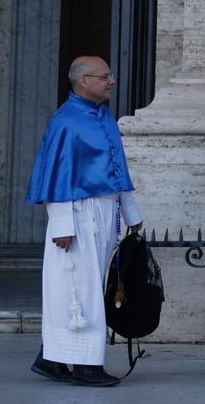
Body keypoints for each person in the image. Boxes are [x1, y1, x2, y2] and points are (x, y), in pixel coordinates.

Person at [26, 57, 144, 387]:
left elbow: (118, 167)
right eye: (104, 76)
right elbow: (57, 176)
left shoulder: (102, 116)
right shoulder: (66, 121)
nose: (111, 81)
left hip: (104, 210)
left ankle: (52, 358)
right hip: (78, 214)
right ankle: (84, 364)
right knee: (80, 287)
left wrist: (131, 212)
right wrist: (62, 224)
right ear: (83, 82)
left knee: (83, 284)